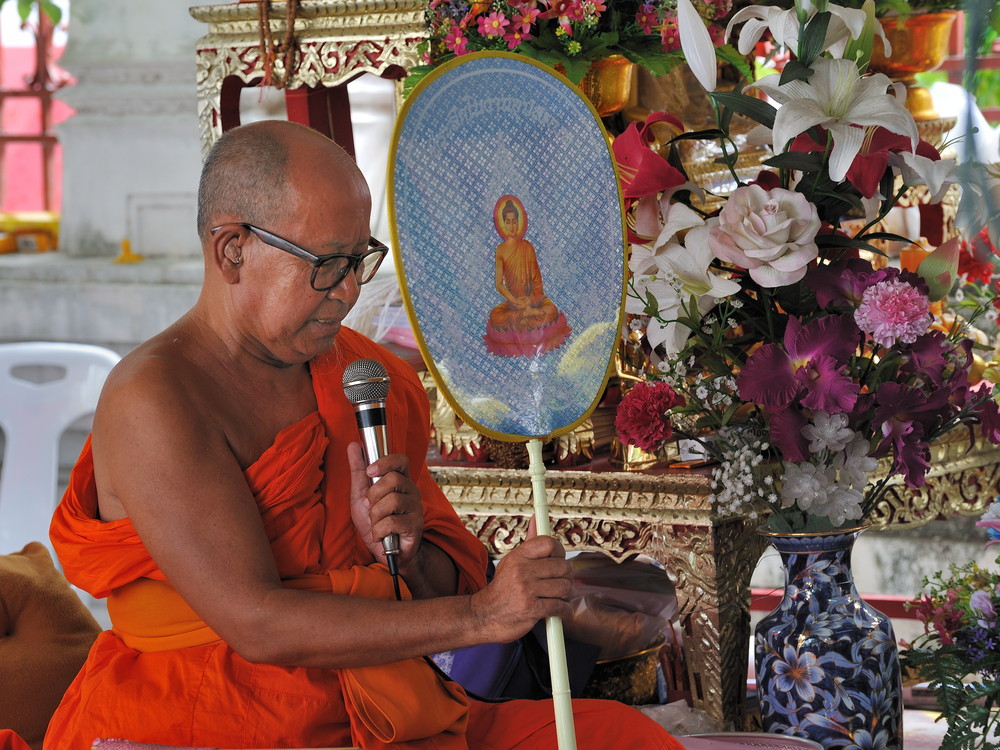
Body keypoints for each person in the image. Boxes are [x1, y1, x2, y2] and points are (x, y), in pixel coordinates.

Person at [37, 121, 683, 750]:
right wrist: (482, 616)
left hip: (384, 706)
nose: (347, 290)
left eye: (359, 259)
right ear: (231, 249)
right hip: (212, 716)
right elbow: (256, 624)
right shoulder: (155, 399)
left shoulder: (367, 379)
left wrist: (403, 553)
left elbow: (440, 581)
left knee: (623, 737)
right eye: (324, 265)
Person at [484, 196, 572, 358]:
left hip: (532, 300)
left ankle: (524, 318)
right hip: (514, 303)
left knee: (550, 311)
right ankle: (526, 318)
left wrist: (531, 300)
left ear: (519, 222)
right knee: (496, 315)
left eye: (514, 221)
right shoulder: (501, 250)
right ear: (503, 224)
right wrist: (513, 301)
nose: (512, 225)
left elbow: (537, 280)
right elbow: (499, 284)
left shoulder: (527, 246)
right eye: (508, 222)